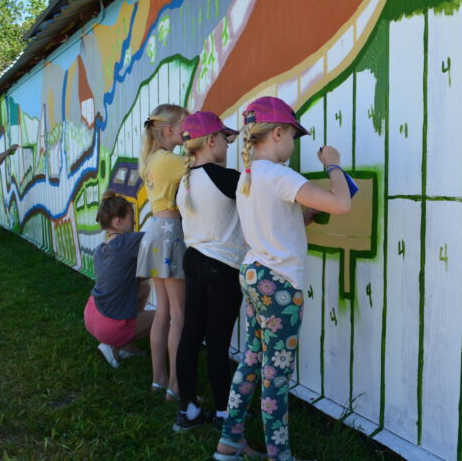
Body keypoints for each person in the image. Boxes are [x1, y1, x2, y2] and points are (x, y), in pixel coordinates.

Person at [215, 97, 351, 461]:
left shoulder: (249, 175)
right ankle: (280, 455)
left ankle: (230, 441)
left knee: (250, 360)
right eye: (293, 135)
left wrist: (300, 218)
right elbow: (341, 203)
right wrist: (333, 164)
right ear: (277, 133)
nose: (294, 144)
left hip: (255, 274)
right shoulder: (279, 175)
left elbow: (273, 223)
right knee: (276, 375)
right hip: (279, 285)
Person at [172, 111, 244, 432]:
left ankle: (187, 409)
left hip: (195, 260)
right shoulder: (226, 178)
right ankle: (224, 414)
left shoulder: (185, 181)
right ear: (212, 140)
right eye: (226, 140)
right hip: (222, 267)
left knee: (190, 335)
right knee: (217, 343)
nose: (229, 147)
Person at [136, 104, 188, 400]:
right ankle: (176, 386)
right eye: (185, 126)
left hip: (154, 231)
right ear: (169, 130)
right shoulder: (171, 160)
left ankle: (159, 380)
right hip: (170, 233)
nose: (189, 131)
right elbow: (205, 168)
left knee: (162, 312)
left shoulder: (151, 158)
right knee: (179, 315)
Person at [83, 190, 155, 368]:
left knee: (144, 288)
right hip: (109, 324)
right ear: (118, 221)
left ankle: (124, 346)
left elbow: (126, 277)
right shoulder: (128, 241)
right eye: (132, 219)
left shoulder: (101, 249)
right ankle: (115, 344)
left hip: (92, 314)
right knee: (164, 318)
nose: (135, 223)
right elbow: (158, 237)